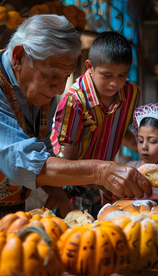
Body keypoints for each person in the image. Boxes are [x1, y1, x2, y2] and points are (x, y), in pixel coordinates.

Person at [0, 15, 151, 224]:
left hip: (10, 214)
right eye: (52, 76)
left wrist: (56, 190)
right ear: (19, 56)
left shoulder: (37, 90)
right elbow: (20, 162)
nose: (60, 87)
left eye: (65, 77)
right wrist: (100, 171)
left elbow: (41, 151)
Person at [49, 31, 141, 217]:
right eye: (107, 75)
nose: (115, 83)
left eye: (122, 75)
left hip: (104, 183)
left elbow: (119, 129)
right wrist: (101, 176)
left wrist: (145, 147)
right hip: (71, 186)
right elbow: (69, 164)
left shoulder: (130, 93)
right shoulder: (74, 101)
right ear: (90, 67)